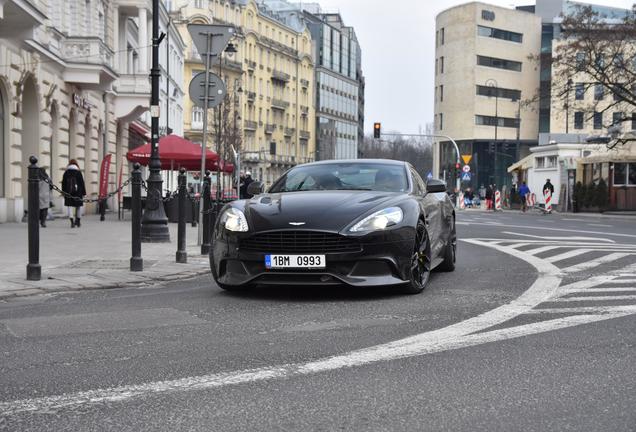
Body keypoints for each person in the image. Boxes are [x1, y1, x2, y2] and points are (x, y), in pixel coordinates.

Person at [61, 159, 86, 228]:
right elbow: (82, 183)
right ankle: (78, 221)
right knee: (78, 207)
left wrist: (63, 192)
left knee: (70, 207)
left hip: (68, 192)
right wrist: (84, 193)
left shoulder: (66, 173)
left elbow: (63, 183)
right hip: (78, 192)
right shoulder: (78, 172)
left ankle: (72, 222)